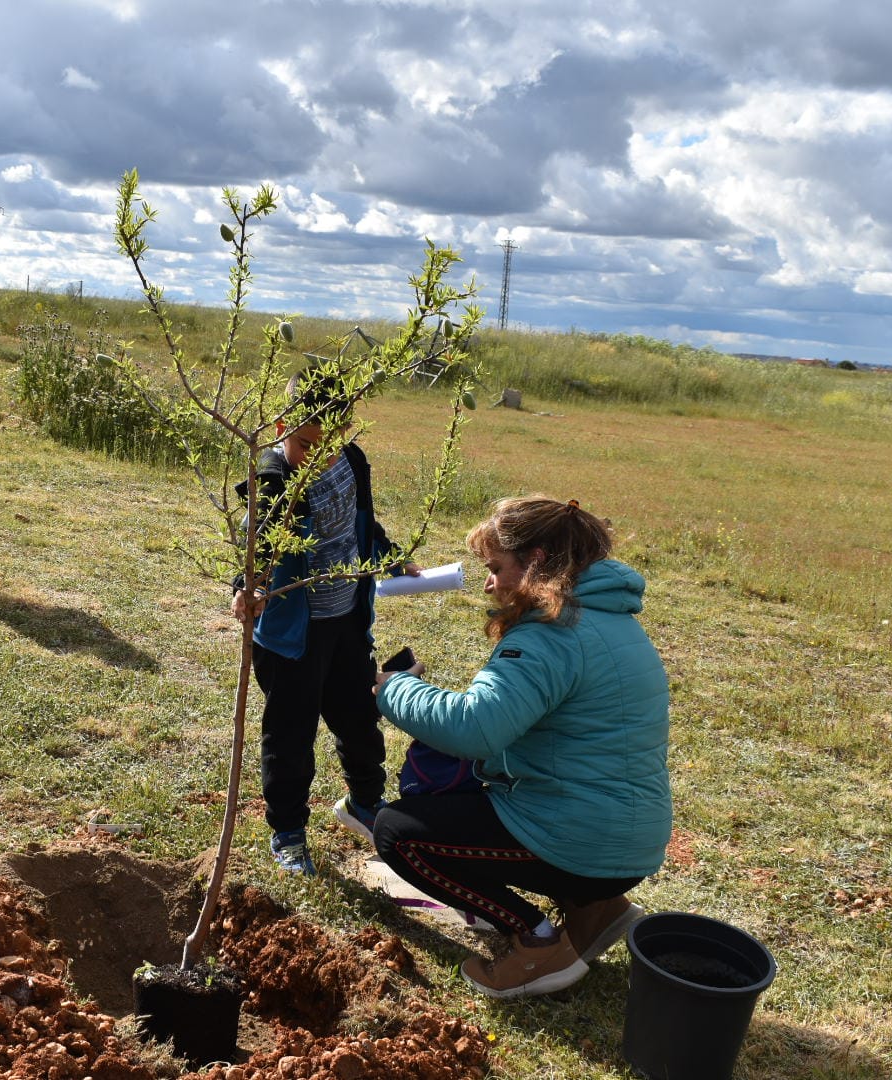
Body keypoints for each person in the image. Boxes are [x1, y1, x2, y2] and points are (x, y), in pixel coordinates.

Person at [372, 496, 671, 999]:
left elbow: (474, 729)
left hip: (586, 843)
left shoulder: (552, 636)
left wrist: (392, 687)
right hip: (631, 839)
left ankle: (537, 943)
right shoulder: (613, 620)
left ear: (534, 561)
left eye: (495, 568)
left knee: (399, 833)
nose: (489, 583)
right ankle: (597, 910)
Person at [230, 371, 421, 875]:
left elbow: (363, 524)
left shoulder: (353, 461)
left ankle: (364, 804)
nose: (322, 456)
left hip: (347, 622)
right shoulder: (272, 484)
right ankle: (288, 834)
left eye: (332, 444)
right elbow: (258, 554)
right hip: (294, 636)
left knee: (359, 719)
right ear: (282, 425)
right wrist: (243, 591)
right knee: (291, 738)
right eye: (307, 444)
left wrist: (391, 556)